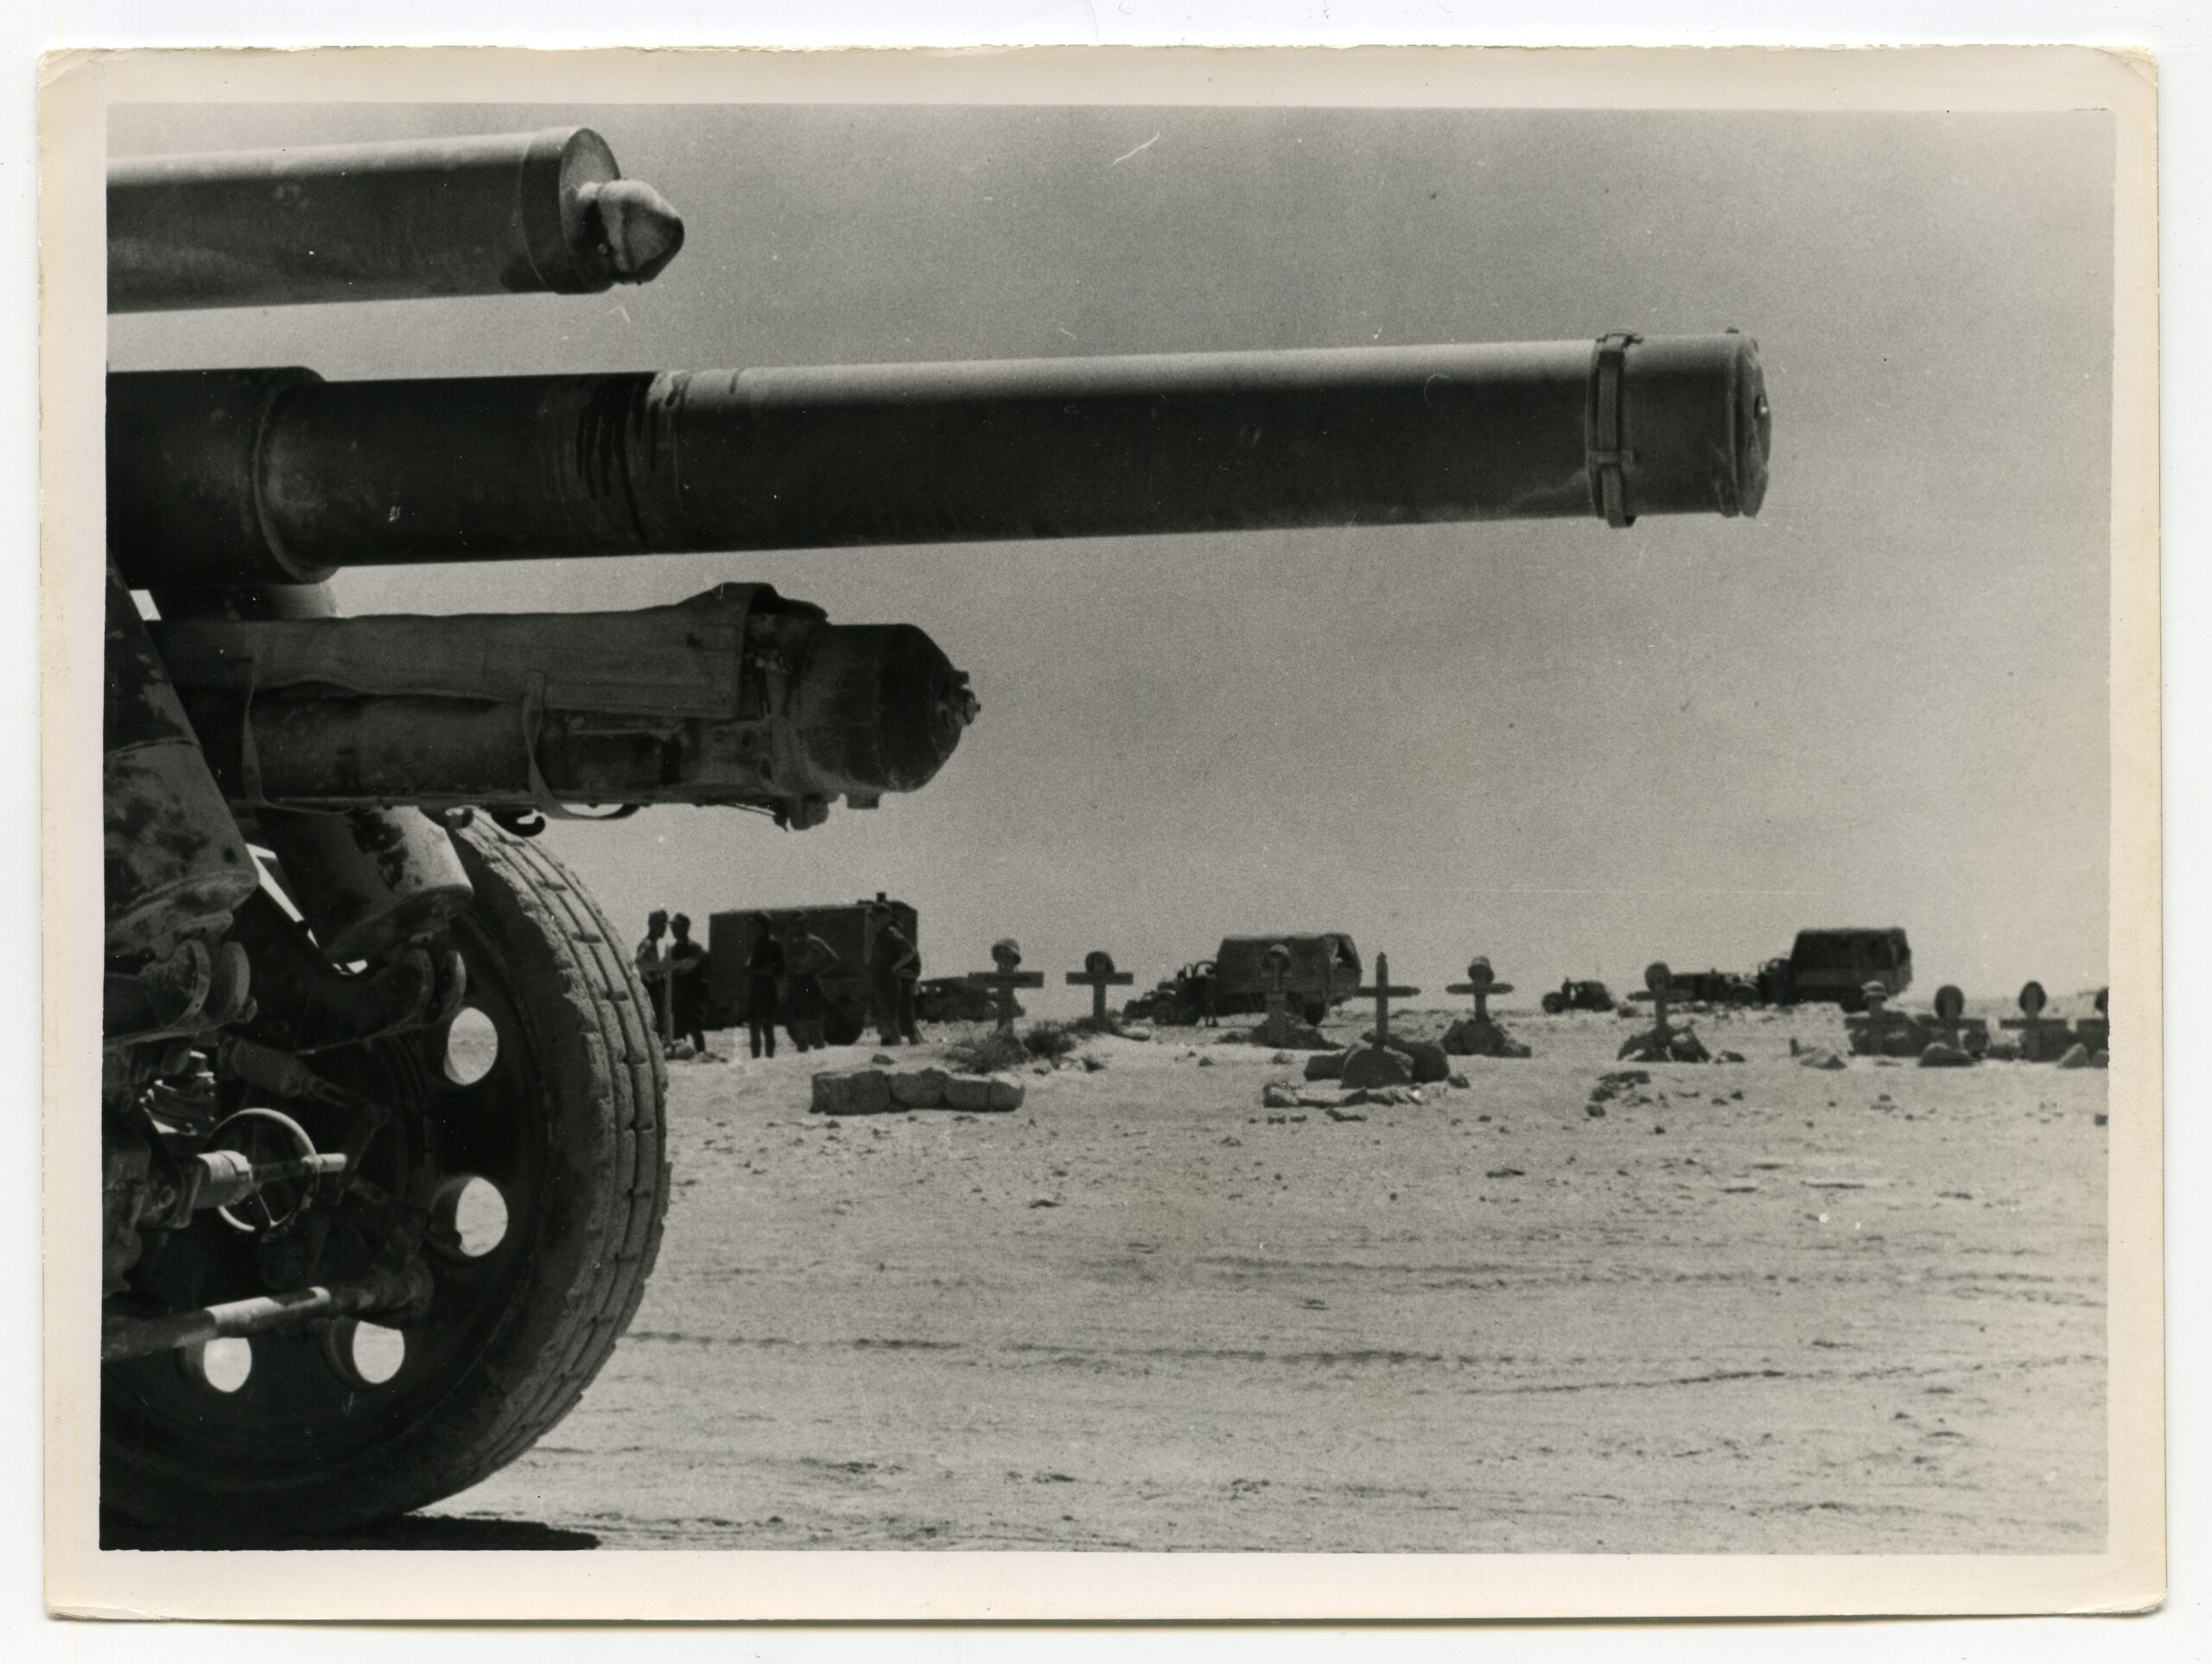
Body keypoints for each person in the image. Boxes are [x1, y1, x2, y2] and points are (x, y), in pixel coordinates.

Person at [783, 913, 839, 1053]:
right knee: (798, 1024)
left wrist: (818, 973)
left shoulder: (814, 941)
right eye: (795, 924)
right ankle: (803, 1056)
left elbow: (833, 958)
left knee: (814, 1023)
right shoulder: (792, 943)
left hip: (809, 982)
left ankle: (820, 1057)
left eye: (801, 923)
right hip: (795, 983)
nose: (798, 927)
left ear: (806, 924)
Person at [872, 910, 923, 1045]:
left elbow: (912, 959)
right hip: (892, 980)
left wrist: (896, 969)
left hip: (899, 981)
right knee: (897, 1012)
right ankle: (900, 1041)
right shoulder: (883, 937)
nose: (873, 922)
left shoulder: (891, 935)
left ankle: (900, 1042)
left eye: (876, 918)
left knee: (898, 1012)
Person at [666, 913, 711, 1057]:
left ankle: (701, 1056)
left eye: (677, 927)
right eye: (673, 927)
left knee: (695, 1030)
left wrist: (671, 967)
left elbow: (690, 965)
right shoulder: (673, 950)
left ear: (686, 928)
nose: (674, 930)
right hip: (678, 997)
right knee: (679, 1034)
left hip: (693, 996)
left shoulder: (694, 948)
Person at [744, 917, 785, 1059]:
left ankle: (769, 1059)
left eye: (754, 925)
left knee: (767, 1026)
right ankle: (756, 1059)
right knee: (754, 1026)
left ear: (761, 926)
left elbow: (779, 969)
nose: (752, 928)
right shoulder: (757, 943)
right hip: (756, 988)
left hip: (767, 988)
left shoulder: (772, 943)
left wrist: (758, 971)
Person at [634, 909, 671, 1045]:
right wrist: (651, 976)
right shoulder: (648, 944)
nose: (664, 928)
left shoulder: (654, 944)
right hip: (652, 990)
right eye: (661, 925)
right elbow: (639, 961)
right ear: (653, 925)